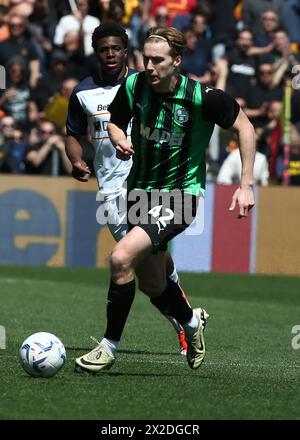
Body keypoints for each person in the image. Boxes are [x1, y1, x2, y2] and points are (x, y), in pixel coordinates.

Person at [74, 26, 256, 374]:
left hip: (180, 195)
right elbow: (114, 121)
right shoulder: (133, 86)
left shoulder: (203, 97)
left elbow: (245, 128)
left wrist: (245, 184)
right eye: (146, 59)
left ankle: (108, 347)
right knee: (154, 283)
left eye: (158, 60)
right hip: (139, 192)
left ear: (177, 61)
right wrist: (116, 138)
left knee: (120, 258)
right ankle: (191, 324)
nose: (150, 66)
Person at [65, 22, 189, 356]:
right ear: (96, 51)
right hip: (109, 191)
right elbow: (73, 134)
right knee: (156, 262)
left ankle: (182, 325)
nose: (109, 54)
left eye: (115, 48)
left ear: (125, 50)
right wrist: (76, 160)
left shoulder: (143, 84)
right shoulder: (82, 93)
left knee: (138, 261)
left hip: (146, 184)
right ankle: (188, 316)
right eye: (103, 49)